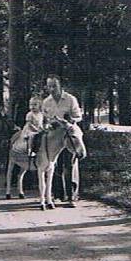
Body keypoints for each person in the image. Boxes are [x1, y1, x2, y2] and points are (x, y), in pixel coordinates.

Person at [42, 75, 83, 207]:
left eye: (54, 85)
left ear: (60, 86)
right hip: (54, 137)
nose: (52, 89)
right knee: (54, 165)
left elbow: (78, 116)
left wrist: (70, 119)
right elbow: (45, 120)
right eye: (49, 86)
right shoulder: (46, 102)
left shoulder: (70, 99)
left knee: (69, 164)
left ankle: (71, 197)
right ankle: (58, 195)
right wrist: (49, 125)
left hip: (69, 135)